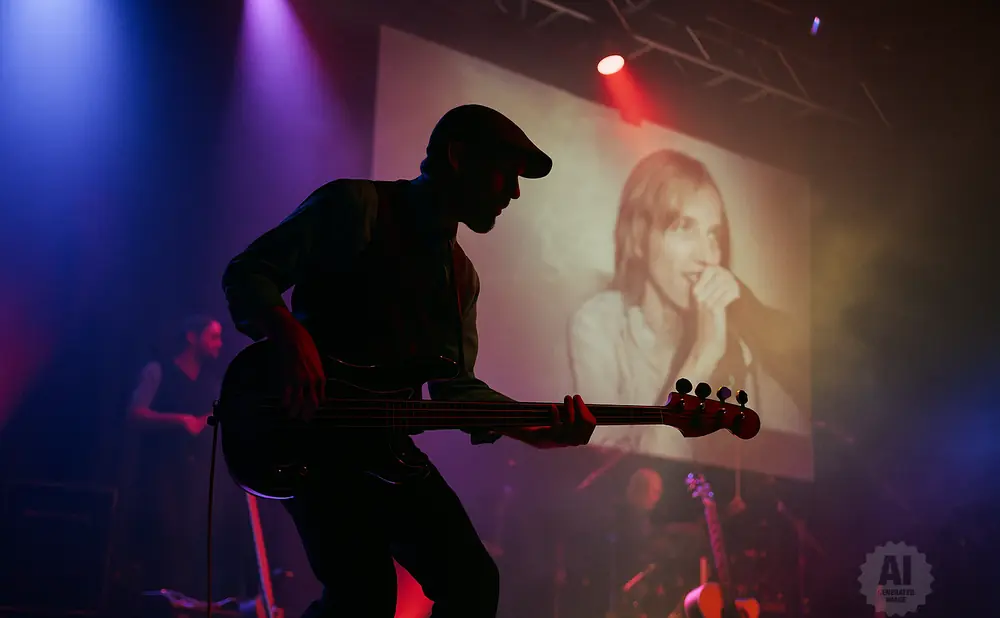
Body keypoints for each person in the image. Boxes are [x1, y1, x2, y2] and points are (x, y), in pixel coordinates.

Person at [221, 104, 598, 618]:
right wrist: (288, 335)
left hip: (387, 452)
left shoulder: (461, 277)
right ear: (459, 157)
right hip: (310, 441)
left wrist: (537, 429)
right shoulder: (355, 205)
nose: (513, 191)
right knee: (364, 594)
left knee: (472, 585)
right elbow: (248, 273)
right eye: (504, 171)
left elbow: (456, 390)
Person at [568, 149, 809, 460]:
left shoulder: (731, 335)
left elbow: (791, 445)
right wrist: (702, 357)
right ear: (640, 236)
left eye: (712, 234)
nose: (707, 256)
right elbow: (621, 471)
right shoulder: (598, 324)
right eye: (684, 227)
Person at [123, 315, 232, 595]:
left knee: (192, 551)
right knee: (162, 551)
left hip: (195, 486)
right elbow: (135, 414)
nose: (219, 344)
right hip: (160, 480)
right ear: (192, 337)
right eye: (214, 336)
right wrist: (180, 421)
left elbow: (210, 423)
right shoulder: (158, 370)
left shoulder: (212, 384)